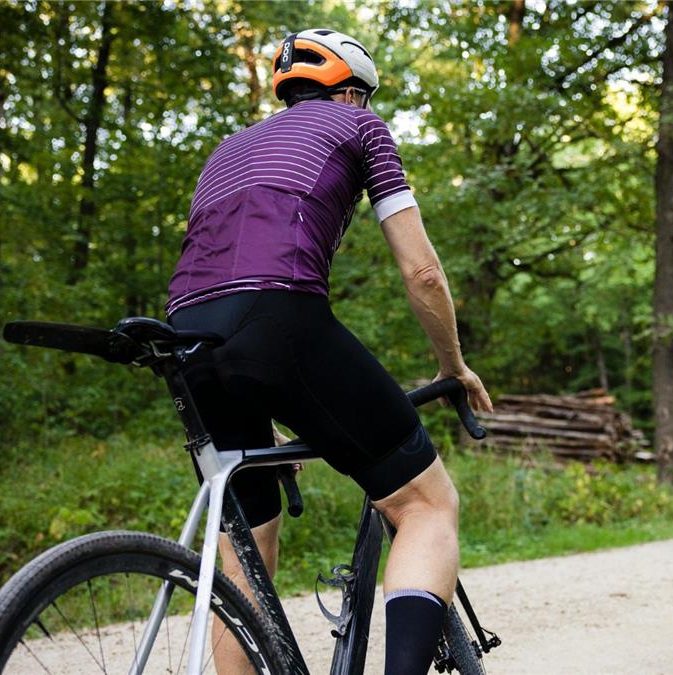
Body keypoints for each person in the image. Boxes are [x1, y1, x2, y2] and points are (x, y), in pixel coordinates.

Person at [166, 28, 493, 675]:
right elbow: (423, 272)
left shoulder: (228, 149)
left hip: (185, 336)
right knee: (425, 504)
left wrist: (263, 402)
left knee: (244, 552)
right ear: (350, 92)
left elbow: (224, 279)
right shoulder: (361, 128)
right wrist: (453, 364)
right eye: (364, 97)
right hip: (279, 315)